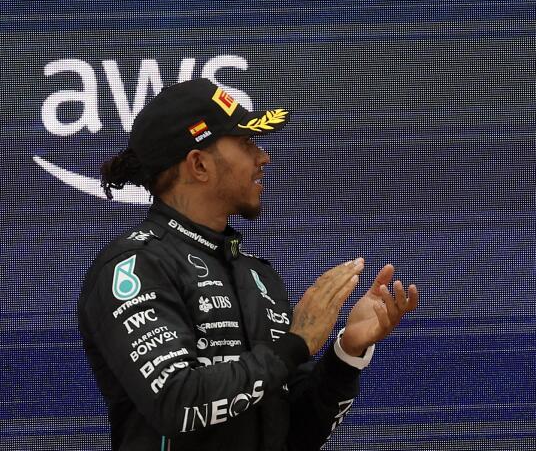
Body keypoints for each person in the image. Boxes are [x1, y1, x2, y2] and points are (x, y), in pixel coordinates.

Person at [77, 77, 418, 450]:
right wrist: (297, 343)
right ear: (199, 165)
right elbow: (176, 403)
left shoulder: (258, 275)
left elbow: (295, 437)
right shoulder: (134, 266)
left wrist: (345, 355)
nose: (263, 156)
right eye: (246, 143)